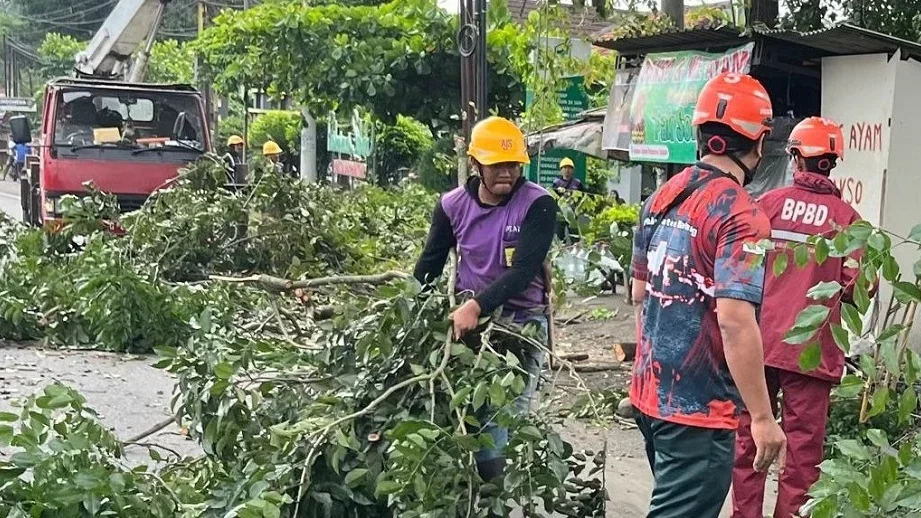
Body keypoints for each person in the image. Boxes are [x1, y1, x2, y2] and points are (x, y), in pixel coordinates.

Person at [630, 72, 786, 518]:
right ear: (759, 143)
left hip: (651, 396)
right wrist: (762, 417)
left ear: (700, 134)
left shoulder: (662, 195)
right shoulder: (742, 214)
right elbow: (735, 319)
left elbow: (641, 292)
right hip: (698, 412)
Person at [413, 116, 557, 485]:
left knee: (504, 416)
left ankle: (495, 495)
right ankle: (471, 489)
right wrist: (412, 314)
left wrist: (475, 306)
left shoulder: (538, 205)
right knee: (464, 409)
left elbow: (524, 270)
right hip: (469, 327)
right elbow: (429, 265)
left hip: (521, 324)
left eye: (512, 165)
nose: (506, 173)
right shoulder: (452, 206)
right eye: (497, 166)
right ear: (477, 165)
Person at [732, 117, 864, 518]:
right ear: (832, 164)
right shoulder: (849, 221)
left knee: (748, 445)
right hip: (813, 353)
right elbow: (858, 291)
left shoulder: (766, 206)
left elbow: (739, 273)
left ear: (795, 157)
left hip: (758, 345)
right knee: (803, 458)